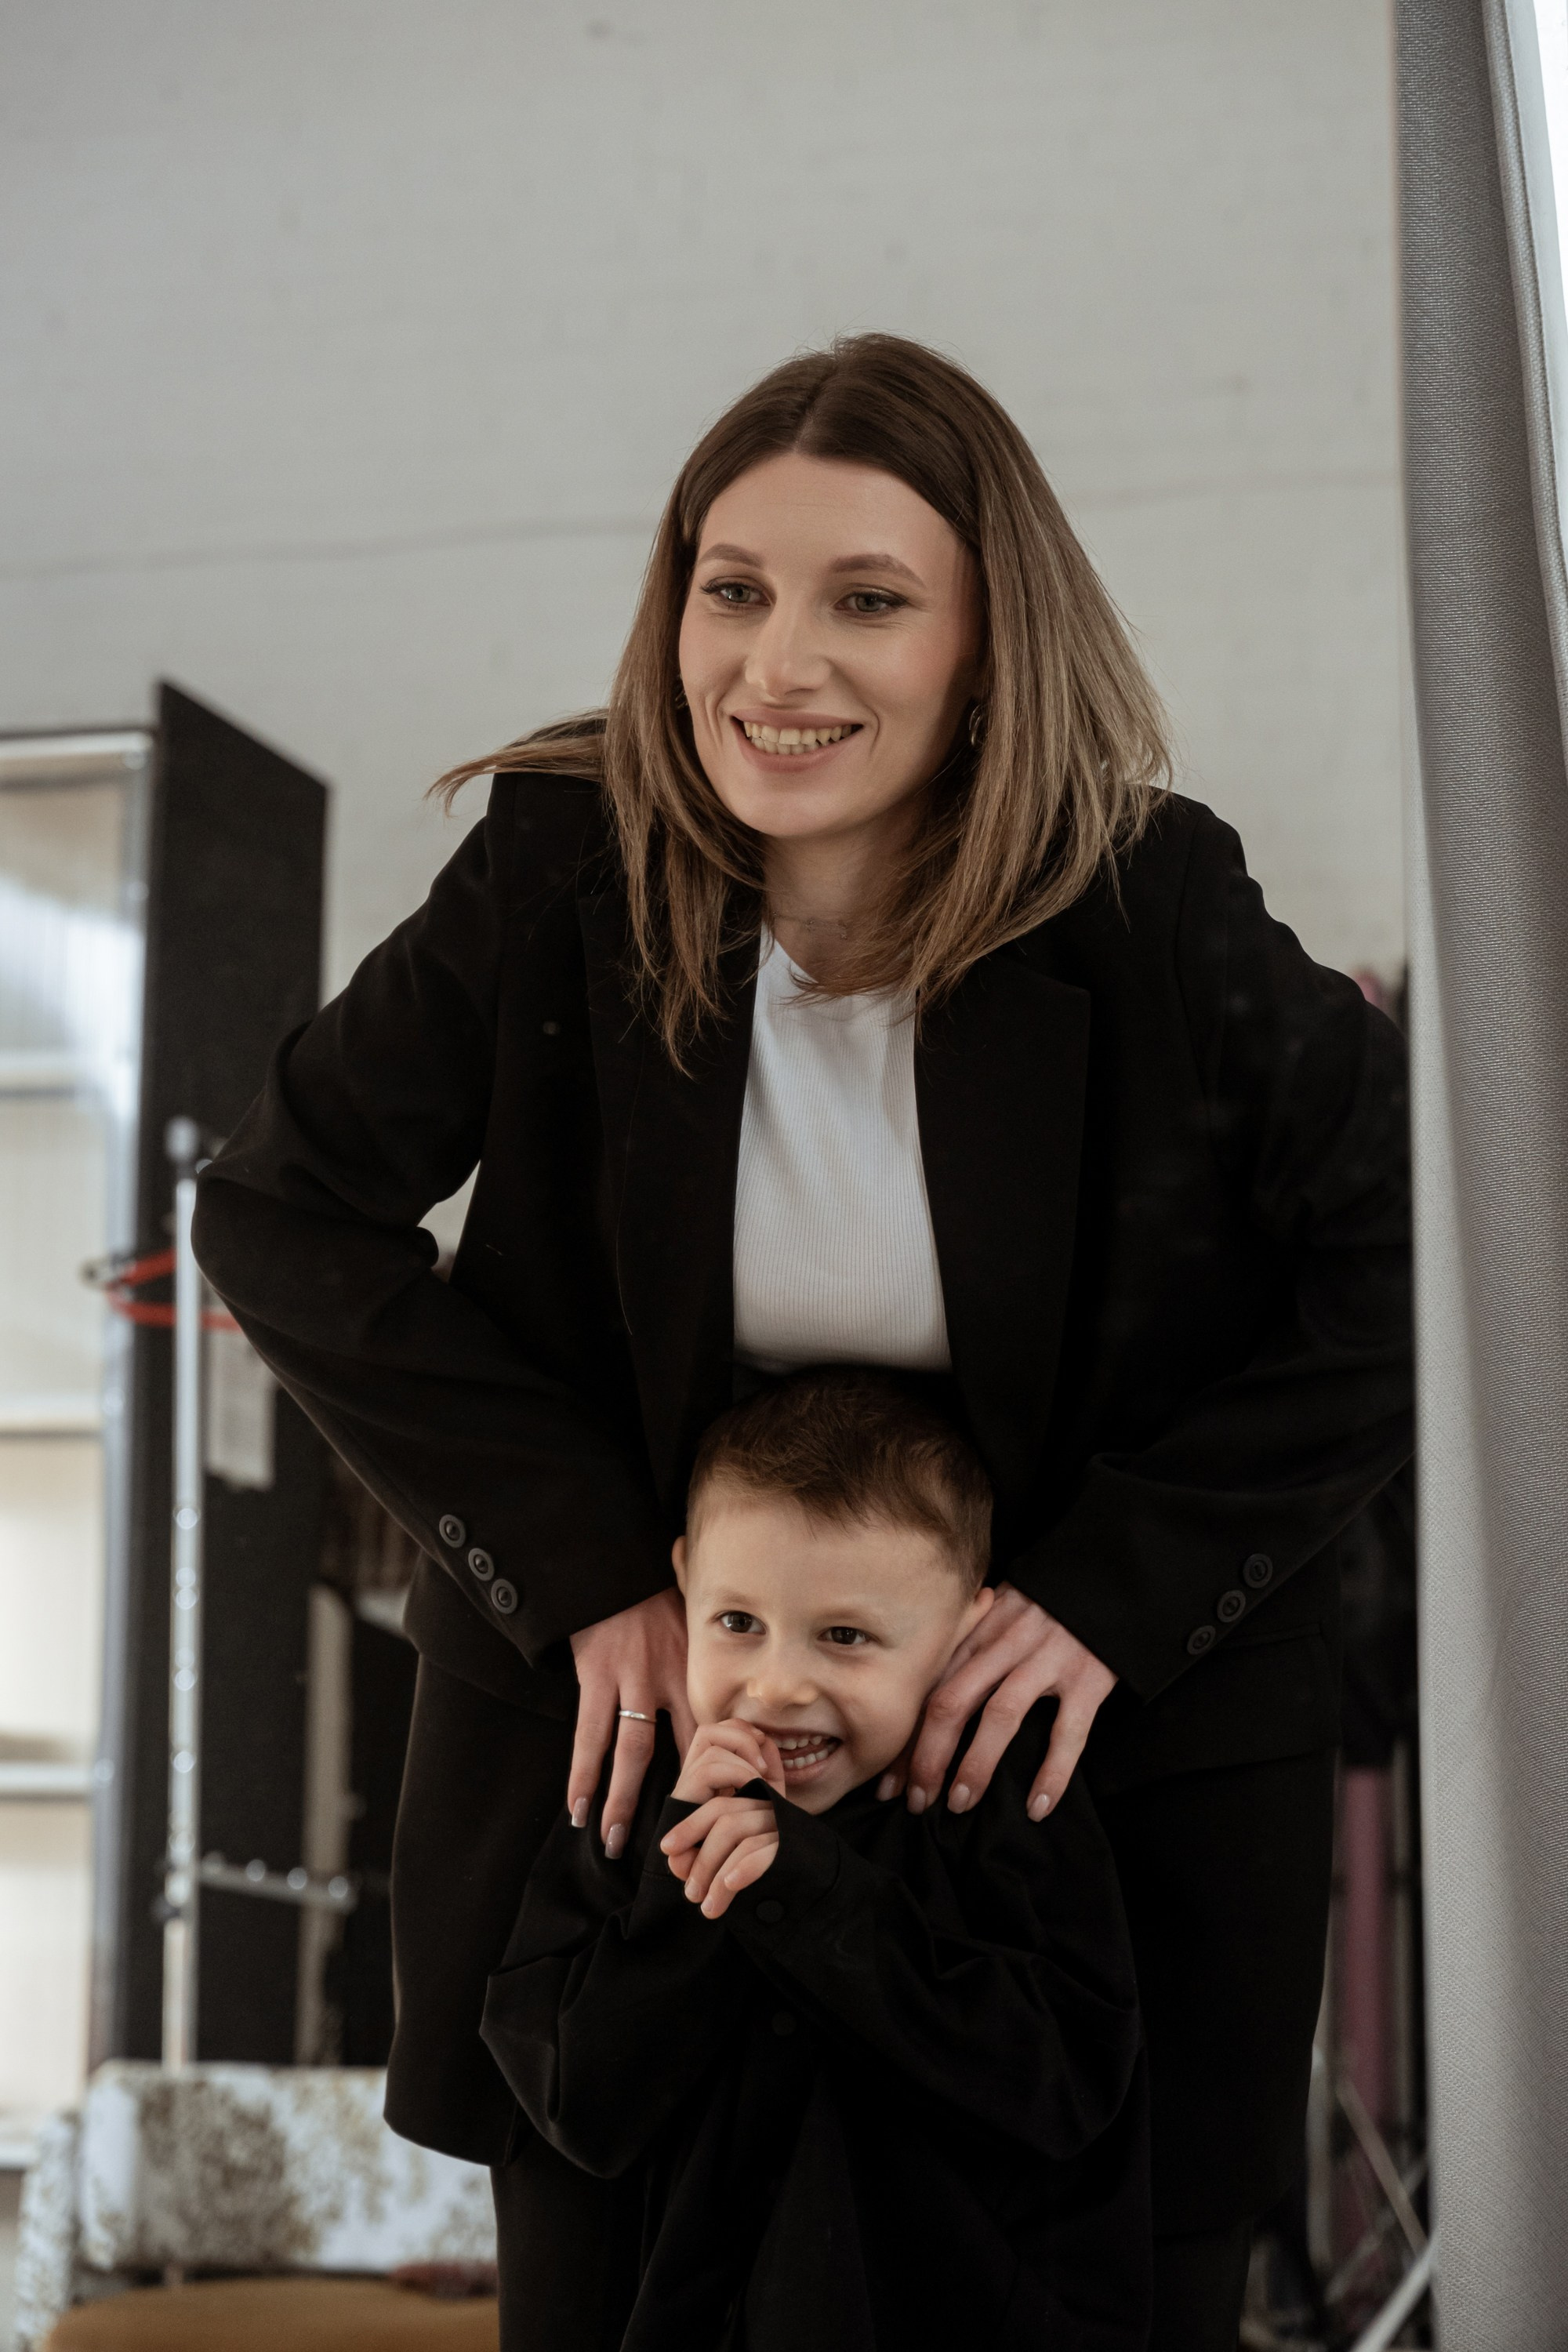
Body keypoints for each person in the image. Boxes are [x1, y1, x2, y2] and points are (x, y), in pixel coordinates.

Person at [193, 331, 1412, 2351]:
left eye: (866, 598)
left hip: (1084, 1779)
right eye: (731, 586)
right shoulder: (549, 868)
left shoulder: (1149, 900)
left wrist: (1114, 1592)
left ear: (984, 643)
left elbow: (1417, 1256)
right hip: (640, 1764)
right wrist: (585, 1572)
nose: (779, 661)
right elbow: (279, 1201)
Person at [480, 1366, 1149, 2352]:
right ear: (680, 1584)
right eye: (736, 1623)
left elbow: (1063, 2087)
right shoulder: (637, 1803)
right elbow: (578, 2104)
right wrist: (690, 1890)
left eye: (845, 1636)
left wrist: (815, 1898)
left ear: (969, 1631)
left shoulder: (1001, 1806)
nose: (776, 1685)